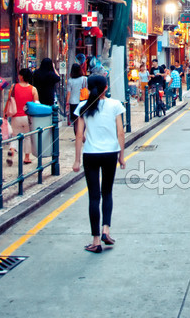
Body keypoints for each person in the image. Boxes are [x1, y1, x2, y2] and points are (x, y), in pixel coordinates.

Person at [72, 75, 126, 253]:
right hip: (110, 153)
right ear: (106, 88)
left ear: (88, 88)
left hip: (91, 155)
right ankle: (106, 230)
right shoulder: (115, 105)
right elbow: (120, 132)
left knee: (94, 197)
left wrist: (77, 160)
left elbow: (79, 135)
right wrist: (121, 156)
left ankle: (95, 241)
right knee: (107, 192)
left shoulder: (82, 107)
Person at [7, 69, 39, 165]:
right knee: (28, 137)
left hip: (16, 116)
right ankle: (27, 157)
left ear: (21, 76)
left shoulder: (13, 87)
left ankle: (12, 151)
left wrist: (5, 114)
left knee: (15, 136)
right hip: (27, 117)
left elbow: (9, 100)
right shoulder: (33, 89)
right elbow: (36, 104)